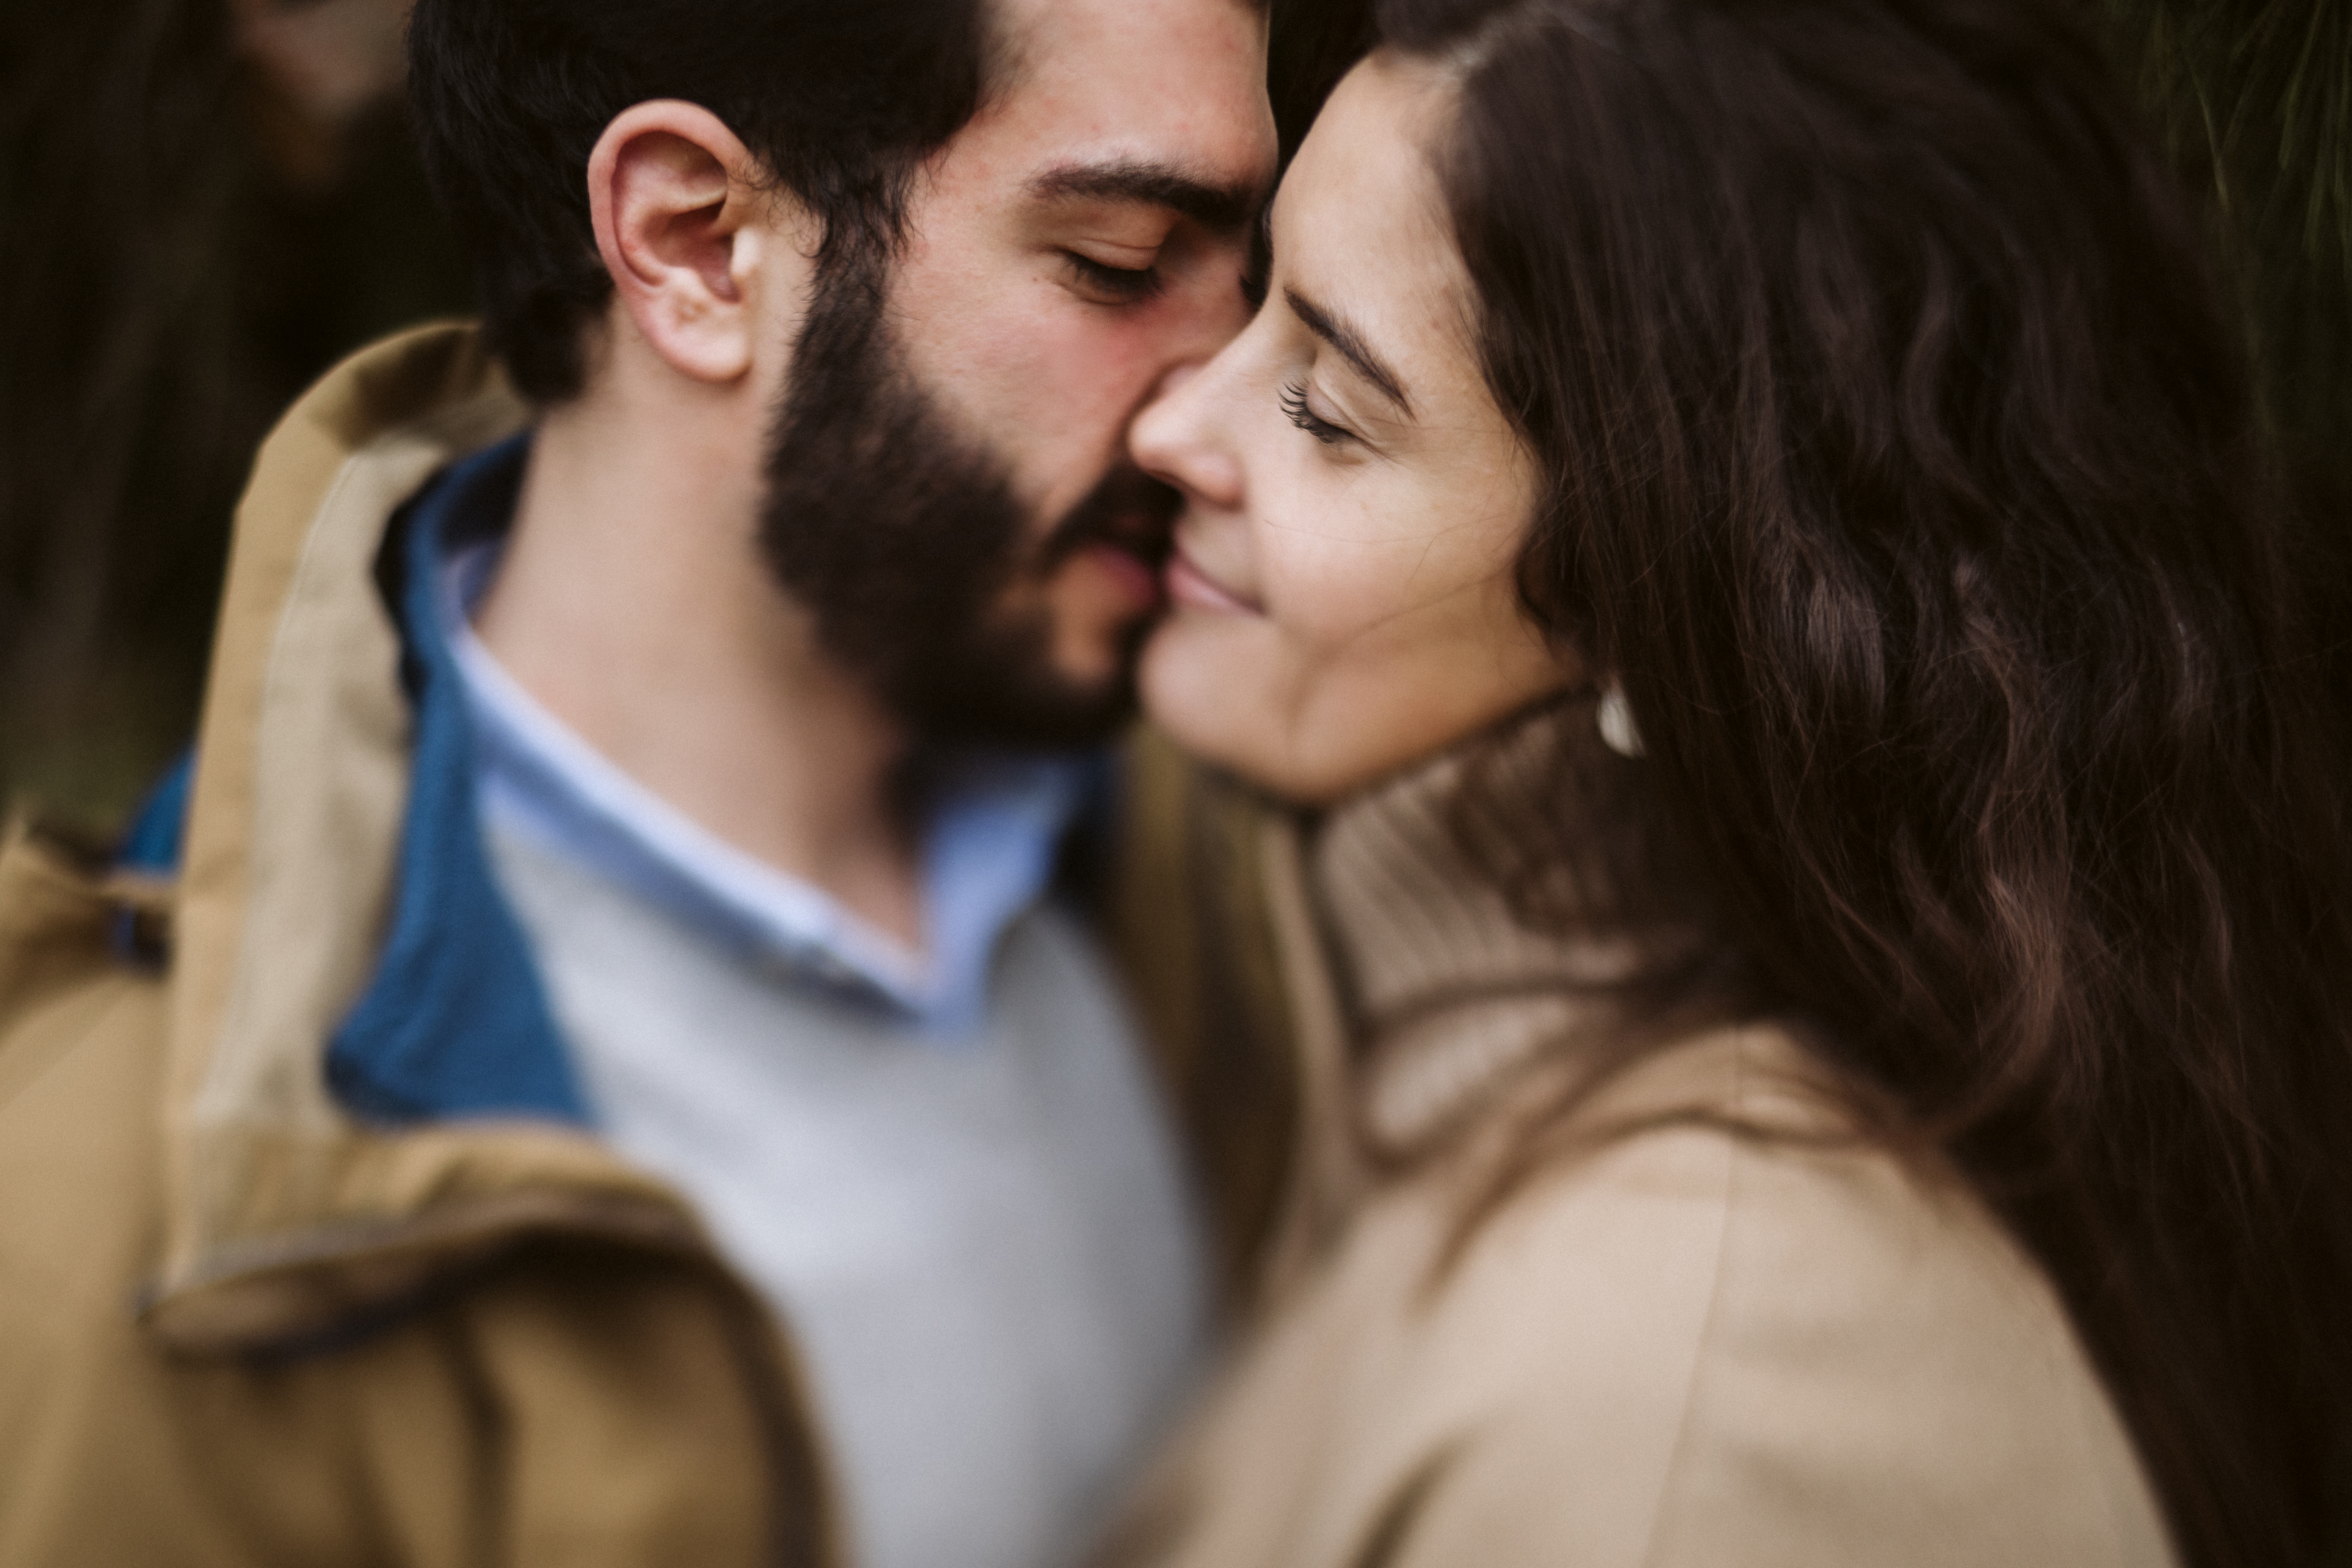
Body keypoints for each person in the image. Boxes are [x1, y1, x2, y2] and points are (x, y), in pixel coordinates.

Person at [0, 1, 1281, 1564]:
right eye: (1124, 264)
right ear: (692, 244)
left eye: (1256, 279)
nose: (1232, 414)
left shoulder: (1221, 860)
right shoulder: (139, 1259)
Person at [1105, 2, 2352, 1566]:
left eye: (1324, 408)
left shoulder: (1696, 1388)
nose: (1168, 424)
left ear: (1657, 597)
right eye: (1253, 311)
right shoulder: (1396, 1105)